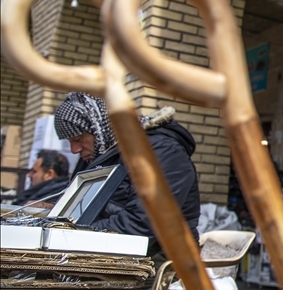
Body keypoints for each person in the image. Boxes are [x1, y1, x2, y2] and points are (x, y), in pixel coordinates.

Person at [53, 92, 201, 253]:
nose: (74, 150)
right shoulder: (104, 154)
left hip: (157, 263)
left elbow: (142, 224)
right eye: (69, 142)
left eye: (79, 139)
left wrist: (72, 232)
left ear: (99, 128)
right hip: (116, 254)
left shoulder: (161, 152)